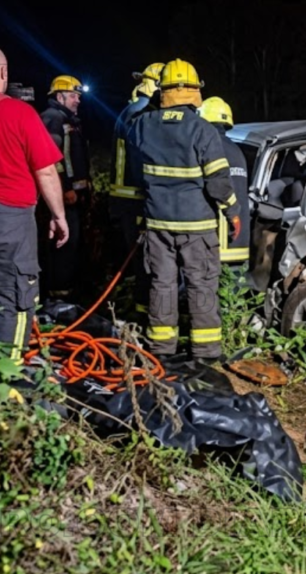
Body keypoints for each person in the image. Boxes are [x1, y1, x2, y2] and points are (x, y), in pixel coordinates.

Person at [128, 59, 240, 360]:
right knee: (200, 284)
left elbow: (136, 170)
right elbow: (218, 181)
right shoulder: (202, 130)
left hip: (157, 223)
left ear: (162, 91)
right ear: (194, 91)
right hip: (197, 226)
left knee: (161, 284)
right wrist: (233, 211)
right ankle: (205, 351)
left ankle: (161, 348)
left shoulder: (141, 126)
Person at [0, 43, 69, 362]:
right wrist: (58, 215)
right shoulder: (19, 112)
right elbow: (46, 172)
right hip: (9, 224)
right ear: (3, 73)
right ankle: (7, 378)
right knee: (12, 300)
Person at [109, 62, 164, 315]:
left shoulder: (133, 109)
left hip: (126, 198)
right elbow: (146, 159)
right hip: (136, 198)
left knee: (141, 259)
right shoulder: (144, 114)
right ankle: (145, 314)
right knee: (146, 261)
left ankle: (142, 308)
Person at [39, 75, 91, 299]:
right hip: (61, 197)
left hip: (72, 196)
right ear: (59, 96)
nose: (77, 100)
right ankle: (58, 294)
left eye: (79, 96)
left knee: (72, 245)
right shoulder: (53, 118)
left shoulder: (67, 119)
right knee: (63, 246)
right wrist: (65, 188)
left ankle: (68, 288)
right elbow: (51, 159)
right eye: (73, 96)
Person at [198, 96, 249, 274]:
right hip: (240, 243)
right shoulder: (236, 150)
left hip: (219, 241)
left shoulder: (212, 148)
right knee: (235, 294)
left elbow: (216, 188)